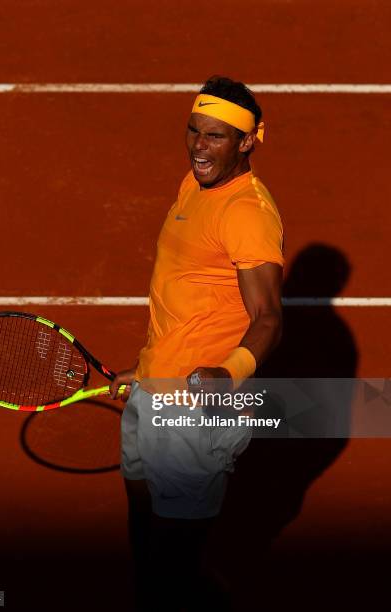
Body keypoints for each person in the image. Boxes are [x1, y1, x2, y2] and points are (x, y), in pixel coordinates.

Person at [110, 76, 284, 611]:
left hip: (197, 405)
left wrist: (225, 375)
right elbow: (184, 297)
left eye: (214, 137)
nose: (198, 147)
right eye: (193, 132)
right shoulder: (196, 182)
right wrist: (145, 366)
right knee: (142, 507)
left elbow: (269, 318)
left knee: (178, 548)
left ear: (247, 141)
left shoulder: (246, 213)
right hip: (155, 384)